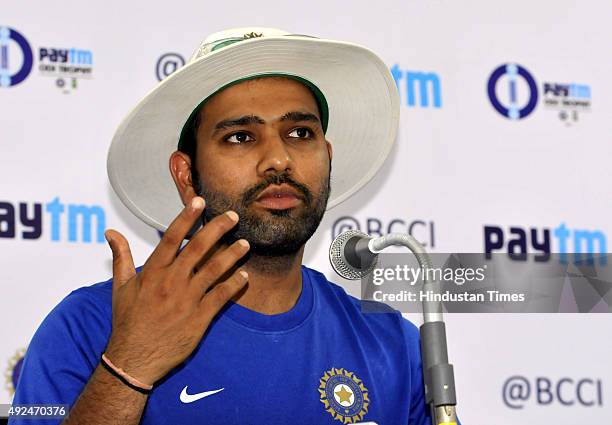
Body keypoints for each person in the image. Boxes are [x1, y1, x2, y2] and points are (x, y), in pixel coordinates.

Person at [11, 27, 431, 424]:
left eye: (300, 132)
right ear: (186, 175)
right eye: (240, 137)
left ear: (328, 157)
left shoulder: (393, 345)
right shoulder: (90, 324)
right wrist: (127, 367)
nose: (279, 160)